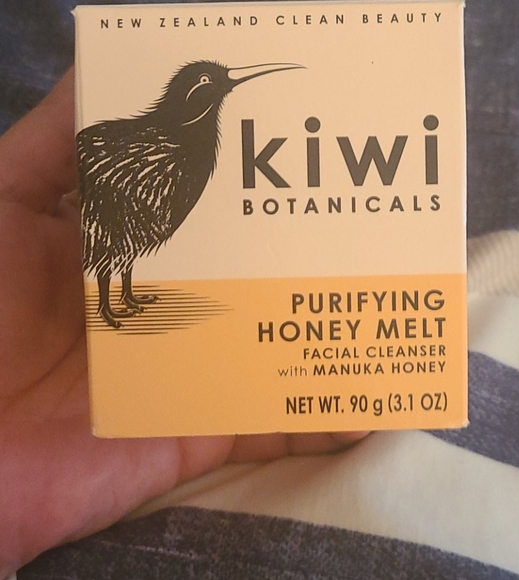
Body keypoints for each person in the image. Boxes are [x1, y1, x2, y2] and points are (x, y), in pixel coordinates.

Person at [0, 69, 367, 575]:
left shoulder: (189, 144)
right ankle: (111, 299)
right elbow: (114, 221)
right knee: (119, 237)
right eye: (217, 84)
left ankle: (123, 295)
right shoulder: (162, 150)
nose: (228, 85)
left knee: (129, 240)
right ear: (198, 98)